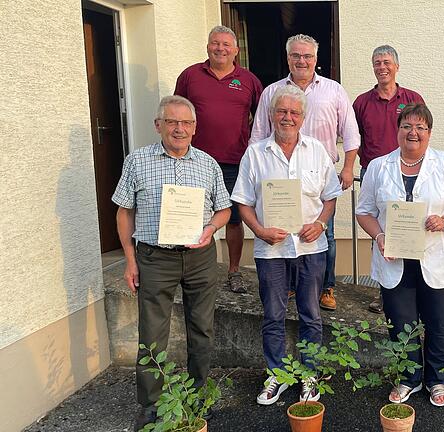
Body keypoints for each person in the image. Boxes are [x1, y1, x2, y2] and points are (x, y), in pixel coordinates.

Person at [112, 96, 232, 431]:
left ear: (195, 128)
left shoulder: (207, 164)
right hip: (155, 257)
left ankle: (196, 399)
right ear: (158, 125)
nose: (179, 129)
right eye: (172, 122)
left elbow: (224, 209)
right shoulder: (137, 162)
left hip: (199, 257)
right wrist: (129, 260)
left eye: (186, 123)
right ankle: (150, 406)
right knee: (151, 334)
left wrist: (210, 228)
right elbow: (124, 212)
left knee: (202, 330)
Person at [356, 103, 444, 408]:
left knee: (439, 321)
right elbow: (364, 211)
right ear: (398, 131)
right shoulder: (378, 166)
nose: (413, 132)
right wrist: (380, 235)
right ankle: (409, 378)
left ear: (429, 133)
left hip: (437, 257)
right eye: (407, 126)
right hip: (394, 258)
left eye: (420, 127)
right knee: (400, 321)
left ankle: (436, 378)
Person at [231, 85, 342, 405]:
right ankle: (277, 375)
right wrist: (259, 231)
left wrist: (321, 224)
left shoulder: (318, 151)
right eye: (282, 112)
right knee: (273, 314)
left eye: (294, 112)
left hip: (311, 249)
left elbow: (330, 197)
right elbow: (243, 203)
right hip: (272, 251)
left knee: (311, 314)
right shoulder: (255, 154)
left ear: (303, 117)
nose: (288, 117)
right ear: (271, 115)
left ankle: (309, 373)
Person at [250, 34, 360, 311]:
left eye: (307, 56)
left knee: (325, 234)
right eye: (296, 55)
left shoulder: (334, 90)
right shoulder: (271, 92)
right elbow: (258, 135)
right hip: (278, 173)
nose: (302, 60)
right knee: (282, 231)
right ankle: (287, 285)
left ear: (315, 59)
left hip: (317, 175)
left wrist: (348, 168)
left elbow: (350, 132)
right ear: (288, 58)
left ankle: (326, 287)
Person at [174, 25, 263, 294]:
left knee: (233, 219)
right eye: (215, 43)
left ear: (236, 50)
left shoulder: (248, 80)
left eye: (226, 44)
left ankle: (233, 271)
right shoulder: (190, 76)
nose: (220, 48)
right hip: (194, 161)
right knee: (193, 215)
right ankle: (196, 271)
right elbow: (177, 112)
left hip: (235, 162)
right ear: (207, 46)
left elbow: (262, 121)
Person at [353, 44, 424, 314]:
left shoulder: (412, 97)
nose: (381, 67)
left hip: (409, 172)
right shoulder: (361, 102)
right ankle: (383, 292)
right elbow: (354, 138)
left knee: (409, 228)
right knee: (379, 233)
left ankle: (415, 288)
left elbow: (421, 132)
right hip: (376, 174)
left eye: (386, 62)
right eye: (377, 63)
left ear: (396, 66)